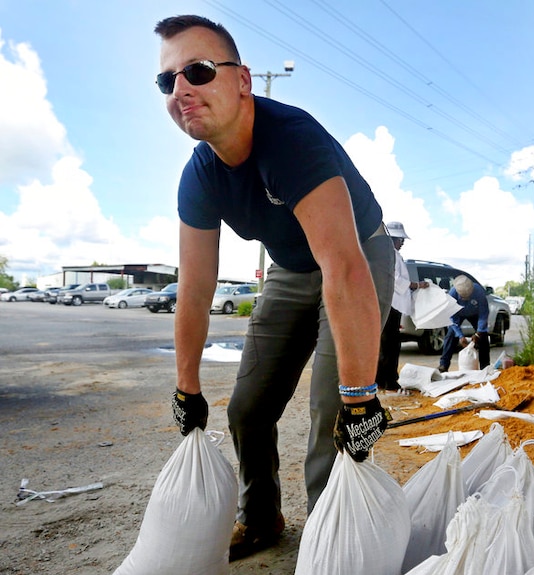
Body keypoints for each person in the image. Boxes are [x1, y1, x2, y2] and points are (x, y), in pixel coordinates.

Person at [154, 15, 395, 561]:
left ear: (242, 81)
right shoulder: (200, 176)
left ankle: (334, 548)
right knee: (247, 408)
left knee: (333, 414)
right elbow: (193, 290)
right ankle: (260, 518)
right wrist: (186, 388)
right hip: (290, 269)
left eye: (197, 70)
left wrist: (360, 398)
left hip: (359, 253)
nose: (182, 89)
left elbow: (343, 265)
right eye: (167, 80)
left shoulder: (291, 141)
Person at [376, 222, 428, 392]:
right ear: (392, 239)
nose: (402, 242)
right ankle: (387, 380)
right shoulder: (388, 255)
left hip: (395, 305)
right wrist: (416, 285)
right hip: (391, 305)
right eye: (400, 239)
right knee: (389, 344)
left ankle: (385, 378)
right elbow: (396, 280)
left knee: (390, 343)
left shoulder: (394, 255)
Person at [438, 275, 490, 372]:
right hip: (458, 314)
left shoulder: (479, 292)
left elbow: (484, 313)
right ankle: (443, 365)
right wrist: (460, 336)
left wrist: (478, 333)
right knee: (450, 335)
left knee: (483, 337)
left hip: (475, 314)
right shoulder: (452, 294)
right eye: (463, 297)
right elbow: (452, 317)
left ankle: (485, 367)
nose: (465, 299)